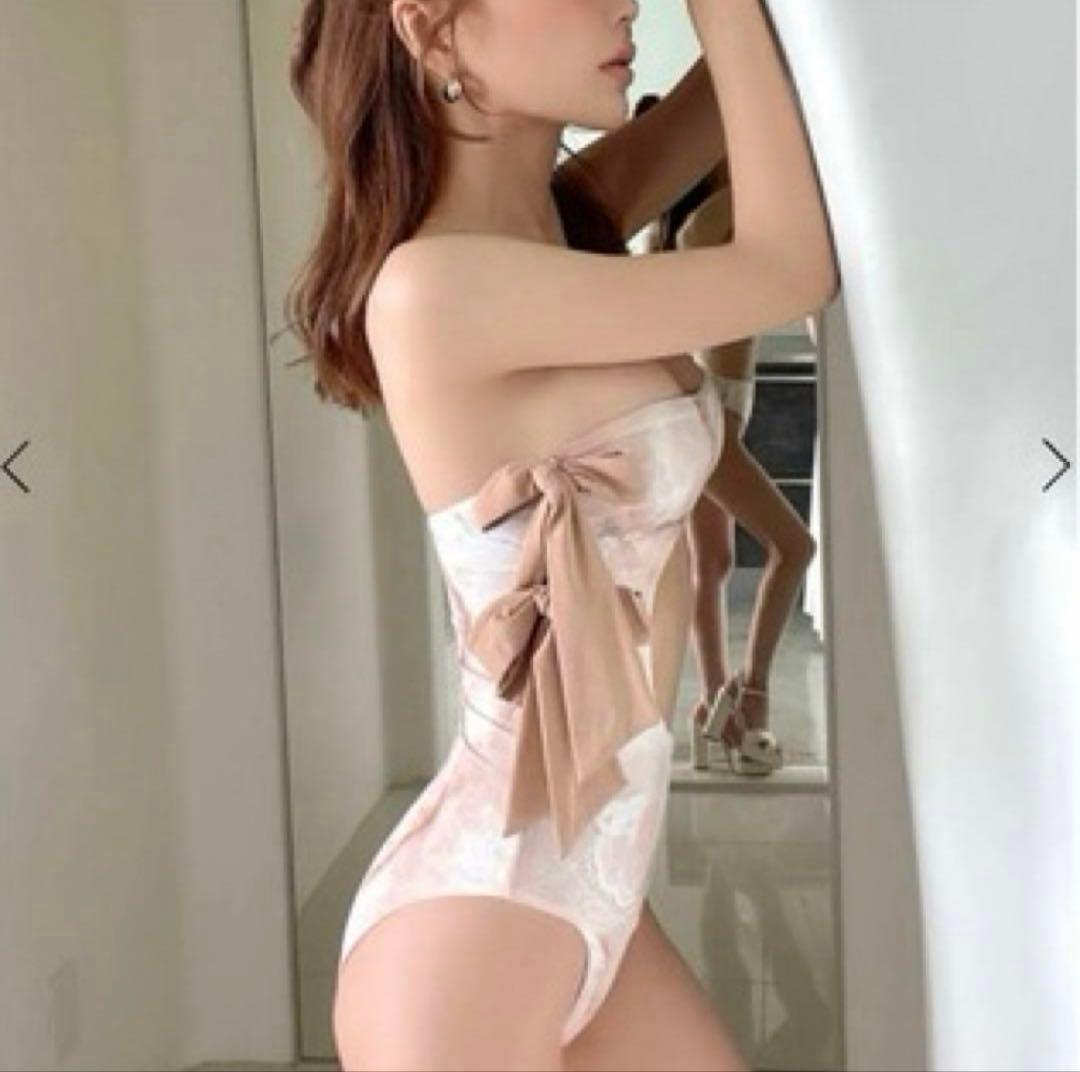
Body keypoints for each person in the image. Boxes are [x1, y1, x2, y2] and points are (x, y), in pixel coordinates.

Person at [285, 0, 837, 1067]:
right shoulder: (430, 288)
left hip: (599, 898)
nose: (623, 1)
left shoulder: (564, 218)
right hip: (470, 929)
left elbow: (747, 73)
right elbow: (787, 268)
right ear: (431, 28)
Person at [645, 171, 819, 777]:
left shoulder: (690, 232)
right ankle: (753, 694)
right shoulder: (710, 223)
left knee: (712, 564)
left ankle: (712, 712)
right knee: (795, 547)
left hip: (706, 413)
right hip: (709, 419)